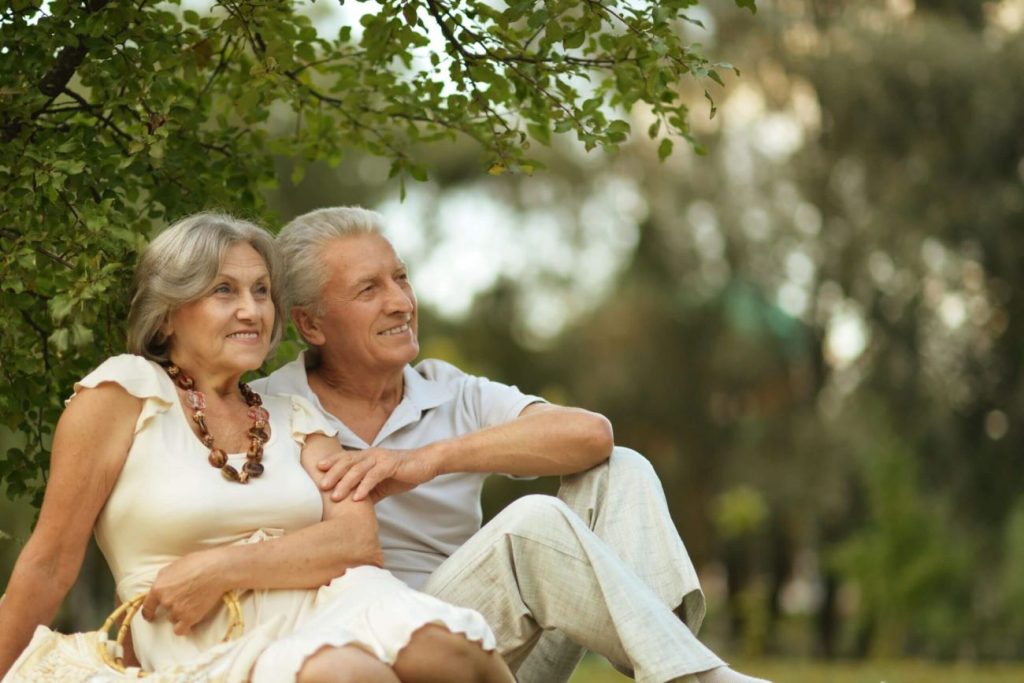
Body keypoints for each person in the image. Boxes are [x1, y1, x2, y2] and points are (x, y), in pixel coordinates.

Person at [252, 206, 770, 683]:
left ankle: (677, 666)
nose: (401, 302)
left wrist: (427, 460)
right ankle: (694, 674)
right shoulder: (268, 410)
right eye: (369, 290)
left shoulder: (450, 390)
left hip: (493, 647)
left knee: (620, 468)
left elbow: (591, 435)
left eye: (402, 277)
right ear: (311, 324)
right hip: (380, 651)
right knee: (531, 526)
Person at [0, 213, 515, 683]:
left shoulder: (293, 413)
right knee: (344, 673)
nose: (252, 310)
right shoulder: (124, 394)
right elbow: (49, 564)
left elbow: (356, 542)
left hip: (332, 602)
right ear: (168, 315)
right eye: (225, 291)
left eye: (262, 291)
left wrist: (219, 567)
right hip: (206, 634)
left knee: (454, 649)